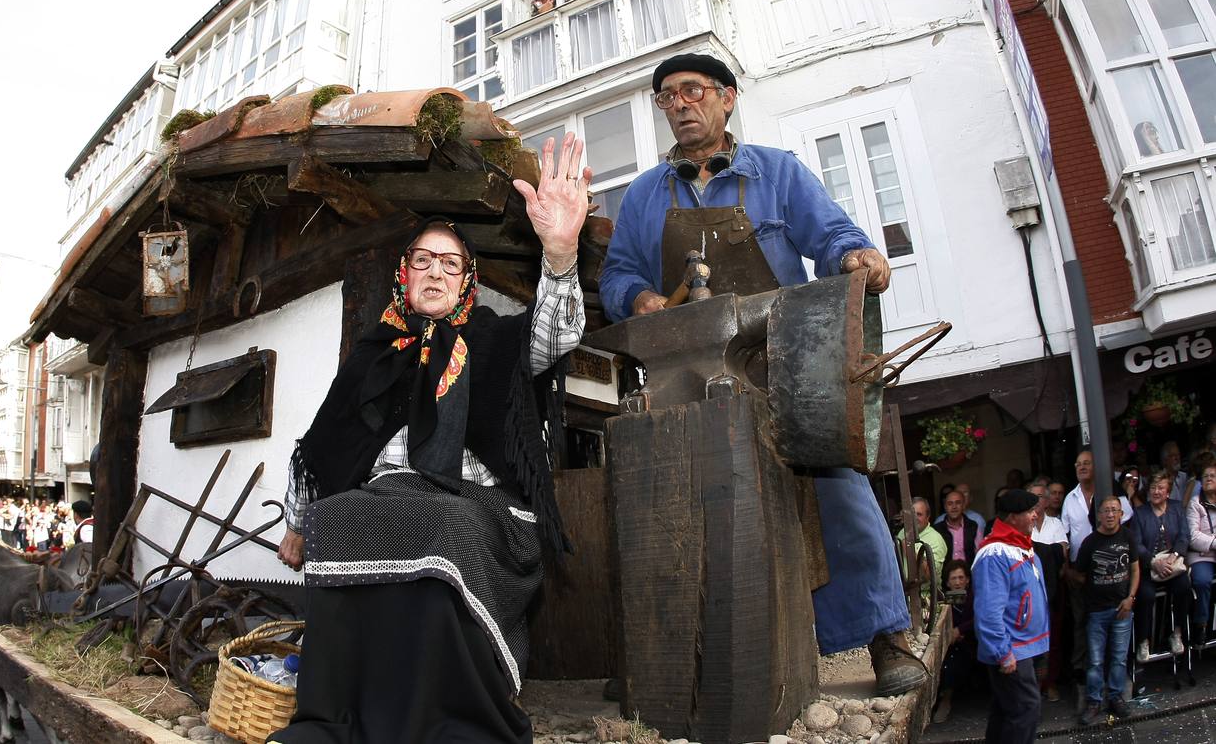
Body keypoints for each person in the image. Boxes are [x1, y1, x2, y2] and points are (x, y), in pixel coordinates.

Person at [597, 53, 923, 695]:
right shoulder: (642, 196)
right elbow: (618, 276)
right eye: (668, 97)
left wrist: (856, 255)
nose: (681, 104)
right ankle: (663, 648)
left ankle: (886, 637)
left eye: (694, 91)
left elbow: (831, 235)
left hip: (782, 364)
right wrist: (640, 300)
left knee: (839, 485)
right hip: (687, 371)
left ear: (727, 99)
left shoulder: (778, 172)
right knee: (673, 503)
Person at [270, 135, 591, 743]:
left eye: (451, 263)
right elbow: (325, 442)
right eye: (424, 259)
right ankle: (338, 721)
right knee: (334, 520)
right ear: (404, 273)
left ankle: (454, 723)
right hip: (386, 497)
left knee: (445, 525)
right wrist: (299, 520)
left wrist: (561, 251)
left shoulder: (492, 339)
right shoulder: (375, 353)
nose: (436, 272)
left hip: (476, 504)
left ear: (467, 279)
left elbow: (555, 337)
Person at [972, 488, 1049, 744]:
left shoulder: (1020, 546)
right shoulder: (995, 554)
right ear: (1013, 517)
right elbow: (989, 610)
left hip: (1024, 646)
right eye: (1030, 512)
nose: (1035, 516)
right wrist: (1002, 651)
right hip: (1013, 648)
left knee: (1007, 710)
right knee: (1025, 708)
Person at [1062, 450, 1133, 679]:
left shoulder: (1112, 492)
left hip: (1112, 568)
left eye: (1087, 463)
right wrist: (1068, 571)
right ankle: (1083, 670)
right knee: (1082, 620)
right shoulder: (1069, 499)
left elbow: (1128, 521)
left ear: (1095, 467)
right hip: (1080, 569)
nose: (1082, 467)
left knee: (1114, 622)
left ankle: (1116, 670)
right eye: (1078, 464)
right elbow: (1064, 537)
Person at [1069, 495, 1139, 725]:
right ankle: (1094, 701)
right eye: (1106, 510)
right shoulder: (1090, 542)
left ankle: (1116, 697)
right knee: (1095, 661)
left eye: (1114, 510)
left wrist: (1130, 598)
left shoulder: (1128, 536)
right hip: (1096, 611)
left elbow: (1135, 570)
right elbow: (1078, 573)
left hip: (1122, 609)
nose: (1110, 514)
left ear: (1121, 514)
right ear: (1099, 515)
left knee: (1119, 658)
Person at [1131, 473, 1191, 662]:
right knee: (1145, 595)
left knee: (1184, 587)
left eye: (1161, 488)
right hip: (1150, 566)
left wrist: (1174, 557)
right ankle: (1143, 640)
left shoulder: (1176, 508)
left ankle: (1177, 633)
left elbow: (1184, 536)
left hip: (1172, 564)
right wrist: (1153, 561)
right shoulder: (1141, 513)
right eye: (1153, 488)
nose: (1156, 492)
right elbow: (1137, 544)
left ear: (1168, 491)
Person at [1028, 480, 1068, 702]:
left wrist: (1046, 553)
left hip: (1054, 587)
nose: (1036, 502)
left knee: (1054, 636)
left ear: (1046, 501)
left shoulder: (1055, 523)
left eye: (1039, 497)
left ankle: (1050, 682)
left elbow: (1062, 553)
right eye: (1031, 498)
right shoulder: (1025, 525)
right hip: (1030, 590)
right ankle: (1035, 685)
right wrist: (1050, 552)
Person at [932, 559, 975, 724]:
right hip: (948, 644)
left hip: (970, 644)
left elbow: (978, 619)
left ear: (967, 580)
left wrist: (960, 631)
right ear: (948, 582)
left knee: (953, 660)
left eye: (961, 577)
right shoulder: (944, 599)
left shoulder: (973, 597)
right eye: (954, 578)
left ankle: (945, 701)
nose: (958, 582)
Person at [1186, 463, 1216, 642]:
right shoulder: (1194, 503)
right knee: (1202, 581)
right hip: (1201, 555)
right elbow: (1193, 537)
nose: (1209, 478)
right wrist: (1214, 542)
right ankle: (1201, 624)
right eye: (1205, 476)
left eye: (1213, 475)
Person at [897, 497, 946, 596]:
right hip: (903, 596)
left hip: (926, 599)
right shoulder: (902, 532)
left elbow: (930, 575)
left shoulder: (936, 539)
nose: (914, 518)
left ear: (928, 517)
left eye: (919, 514)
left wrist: (909, 549)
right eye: (912, 514)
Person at [935, 489, 981, 566]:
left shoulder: (973, 527)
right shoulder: (937, 530)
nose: (954, 507)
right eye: (950, 504)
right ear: (945, 507)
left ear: (963, 505)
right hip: (945, 576)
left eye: (958, 503)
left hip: (968, 576)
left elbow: (979, 555)